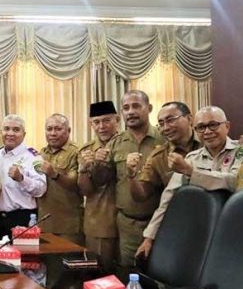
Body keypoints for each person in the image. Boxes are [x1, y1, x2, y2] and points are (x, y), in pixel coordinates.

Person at [136, 106, 243, 259]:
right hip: (202, 232)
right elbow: (169, 197)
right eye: (201, 127)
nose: (207, 132)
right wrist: (149, 237)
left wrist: (191, 172)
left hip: (235, 230)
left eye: (213, 125)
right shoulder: (192, 158)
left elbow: (233, 181)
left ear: (227, 126)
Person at [93, 90, 164, 269]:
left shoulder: (164, 139)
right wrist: (98, 164)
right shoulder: (116, 143)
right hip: (128, 223)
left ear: (149, 108)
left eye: (136, 106)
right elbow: (101, 180)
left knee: (161, 274)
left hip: (160, 222)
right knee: (130, 273)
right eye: (126, 108)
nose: (130, 112)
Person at [77, 101, 121, 273]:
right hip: (100, 222)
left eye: (107, 120)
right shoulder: (86, 151)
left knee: (130, 275)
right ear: (91, 124)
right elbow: (84, 190)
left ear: (117, 120)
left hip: (130, 222)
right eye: (96, 122)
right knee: (100, 275)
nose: (101, 126)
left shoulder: (128, 144)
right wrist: (84, 168)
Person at [129, 102, 200, 202]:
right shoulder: (159, 157)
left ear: (189, 119)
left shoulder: (209, 143)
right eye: (161, 124)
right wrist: (132, 175)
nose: (166, 128)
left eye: (170, 120)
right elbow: (141, 196)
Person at [0, 114, 47, 238]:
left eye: (16, 130)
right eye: (6, 129)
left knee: (25, 257)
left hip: (22, 218)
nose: (10, 133)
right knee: (1, 256)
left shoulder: (33, 156)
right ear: (1, 132)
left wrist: (22, 179)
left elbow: (41, 189)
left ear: (24, 134)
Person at [36, 114, 83, 245]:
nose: (52, 133)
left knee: (67, 263)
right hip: (44, 224)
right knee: (46, 264)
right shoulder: (41, 153)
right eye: (49, 129)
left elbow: (76, 184)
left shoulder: (76, 152)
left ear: (68, 130)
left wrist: (54, 174)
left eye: (58, 129)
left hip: (68, 226)